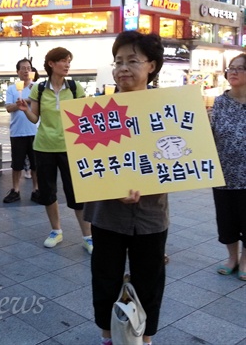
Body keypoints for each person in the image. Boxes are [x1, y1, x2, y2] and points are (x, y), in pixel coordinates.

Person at [83, 31, 168, 345]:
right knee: (105, 278)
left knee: (150, 281)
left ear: (152, 66)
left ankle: (144, 338)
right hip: (107, 213)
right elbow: (88, 165)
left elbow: (177, 161)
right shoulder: (96, 112)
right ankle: (108, 336)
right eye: (118, 61)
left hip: (151, 213)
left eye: (133, 60)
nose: (123, 68)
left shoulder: (165, 109)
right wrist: (113, 186)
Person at [16, 47, 93, 253]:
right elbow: (35, 118)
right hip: (44, 147)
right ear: (51, 64)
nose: (67, 65)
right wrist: (25, 110)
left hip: (71, 148)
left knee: (76, 194)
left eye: (69, 61)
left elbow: (84, 118)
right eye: (63, 61)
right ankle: (56, 231)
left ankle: (87, 236)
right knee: (48, 192)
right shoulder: (39, 89)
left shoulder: (76, 88)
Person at [211, 53, 246, 281]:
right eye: (231, 68)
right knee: (226, 221)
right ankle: (232, 258)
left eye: (240, 68)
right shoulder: (219, 102)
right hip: (223, 175)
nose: (232, 72)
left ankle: (245, 261)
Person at [3, 58, 40, 204]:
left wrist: (28, 101)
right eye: (23, 68)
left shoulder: (36, 87)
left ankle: (36, 189)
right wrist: (19, 104)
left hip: (34, 131)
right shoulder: (12, 89)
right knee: (16, 164)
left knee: (35, 163)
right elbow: (8, 108)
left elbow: (41, 104)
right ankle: (15, 190)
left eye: (28, 68)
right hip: (17, 132)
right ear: (17, 72)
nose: (26, 71)